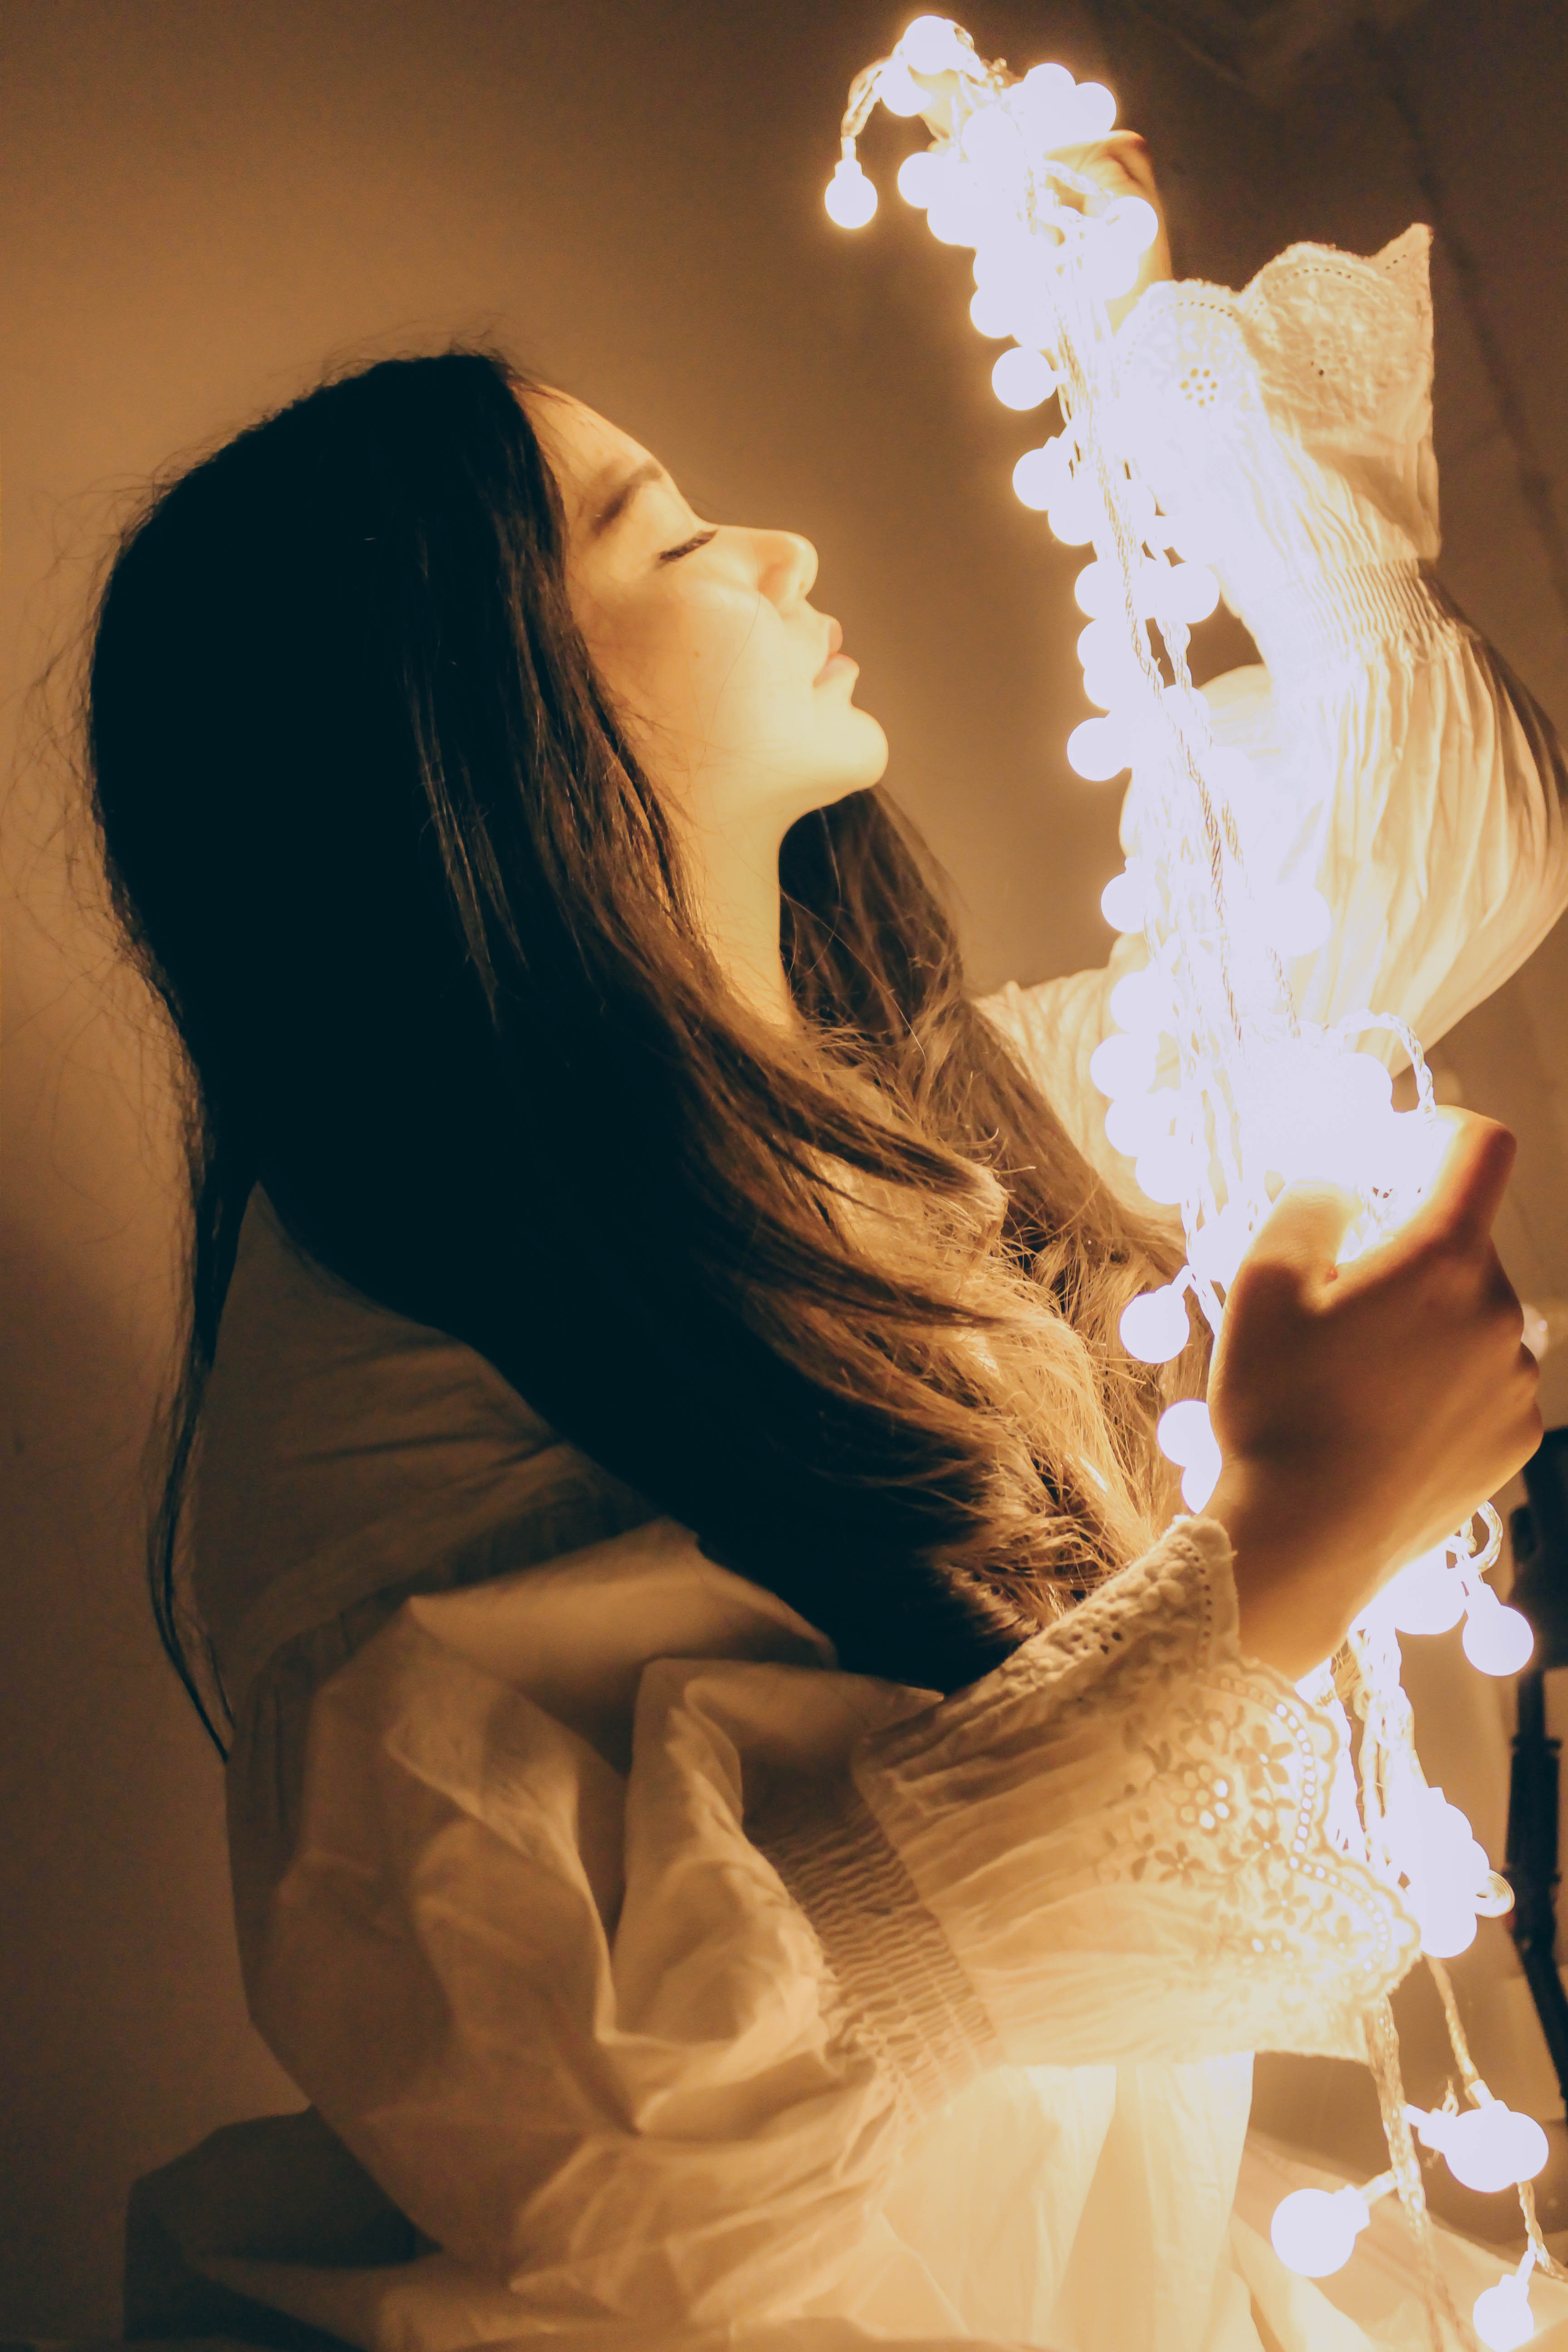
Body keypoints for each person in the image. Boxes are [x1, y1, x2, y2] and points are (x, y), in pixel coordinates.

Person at [90, 129, 1568, 2352]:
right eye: (669, 534)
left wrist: (1137, 364)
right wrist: (1288, 1540)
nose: (779, 550)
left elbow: (1458, 841)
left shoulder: (937, 1131)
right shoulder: (397, 1367)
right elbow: (646, 2163)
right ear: (470, 717)